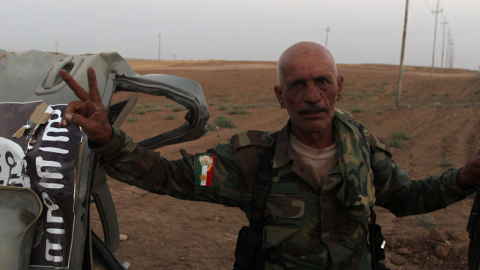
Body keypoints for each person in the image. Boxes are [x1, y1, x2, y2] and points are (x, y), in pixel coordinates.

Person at [59, 41, 480, 269]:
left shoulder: (363, 148)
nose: (312, 96)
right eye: (297, 85)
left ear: (340, 87)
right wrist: (109, 138)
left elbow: (408, 198)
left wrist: (464, 177)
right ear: (281, 96)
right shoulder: (251, 160)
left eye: (322, 82)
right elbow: (169, 176)